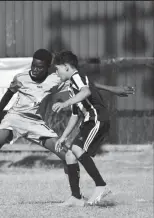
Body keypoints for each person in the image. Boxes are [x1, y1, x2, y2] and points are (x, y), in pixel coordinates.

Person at [0, 49, 135, 200]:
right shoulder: (21, 78)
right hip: (14, 118)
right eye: (33, 66)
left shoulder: (55, 79)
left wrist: (114, 89)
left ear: (48, 68)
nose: (35, 70)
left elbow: (85, 84)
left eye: (40, 67)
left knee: (67, 153)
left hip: (35, 123)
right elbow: (8, 94)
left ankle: (76, 196)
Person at [52, 50, 112, 207]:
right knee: (70, 155)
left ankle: (101, 185)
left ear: (66, 67)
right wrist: (63, 136)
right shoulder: (72, 86)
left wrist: (64, 103)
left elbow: (86, 91)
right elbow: (74, 115)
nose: (56, 73)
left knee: (77, 148)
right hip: (88, 121)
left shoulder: (77, 77)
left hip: (97, 118)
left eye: (57, 69)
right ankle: (76, 197)